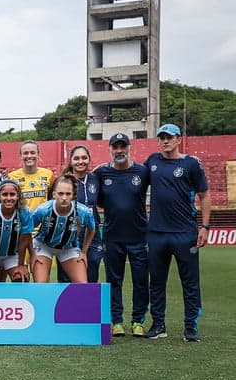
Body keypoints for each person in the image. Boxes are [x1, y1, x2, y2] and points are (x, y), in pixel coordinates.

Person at [144, 123, 211, 342]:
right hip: (156, 233)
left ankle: (190, 327)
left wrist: (205, 227)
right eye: (162, 137)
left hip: (185, 233)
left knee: (190, 282)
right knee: (156, 282)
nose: (165, 141)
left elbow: (204, 195)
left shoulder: (191, 164)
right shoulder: (152, 161)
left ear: (178, 139)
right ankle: (158, 325)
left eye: (169, 137)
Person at [94, 133, 150, 337]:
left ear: (129, 148)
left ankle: (138, 321)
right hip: (112, 237)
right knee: (114, 281)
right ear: (110, 150)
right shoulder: (101, 173)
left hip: (139, 236)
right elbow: (98, 200)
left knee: (141, 280)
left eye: (122, 147)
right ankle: (116, 321)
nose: (119, 151)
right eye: (115, 147)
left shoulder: (142, 172)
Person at [30, 175, 96, 283]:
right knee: (40, 285)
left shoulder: (83, 211)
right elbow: (27, 230)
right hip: (43, 245)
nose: (64, 198)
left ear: (73, 195)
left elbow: (92, 229)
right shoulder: (43, 210)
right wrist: (32, 253)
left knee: (83, 286)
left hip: (68, 247)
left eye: (68, 194)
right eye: (60, 193)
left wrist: (84, 251)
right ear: (54, 194)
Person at [55, 145, 103, 283]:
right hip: (68, 235)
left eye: (84, 158)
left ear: (89, 159)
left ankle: (89, 305)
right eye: (76, 158)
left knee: (91, 274)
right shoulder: (63, 181)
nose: (80, 161)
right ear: (71, 161)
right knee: (66, 278)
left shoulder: (95, 179)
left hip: (92, 235)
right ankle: (65, 304)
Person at [0, 180, 32, 282]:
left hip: (12, 253)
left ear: (18, 196)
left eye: (12, 194)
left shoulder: (25, 212)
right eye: (5, 194)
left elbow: (24, 240)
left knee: (21, 278)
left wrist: (21, 265)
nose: (8, 198)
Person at [8, 140, 54, 211]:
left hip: (42, 220)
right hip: (22, 221)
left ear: (38, 155)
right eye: (25, 153)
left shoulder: (48, 174)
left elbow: (52, 198)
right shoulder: (12, 177)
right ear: (21, 156)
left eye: (32, 153)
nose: (29, 156)